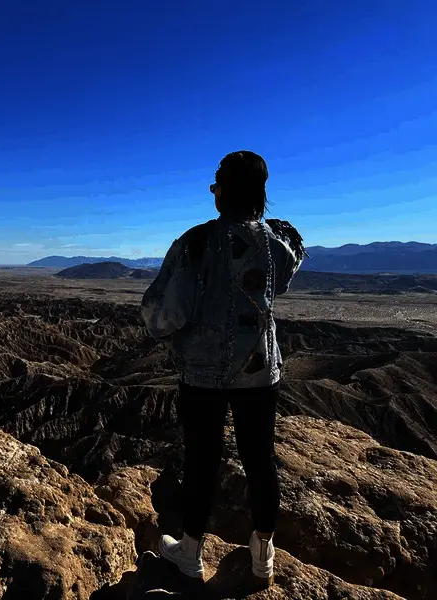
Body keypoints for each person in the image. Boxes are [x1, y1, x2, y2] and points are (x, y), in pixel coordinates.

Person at [141, 151, 306, 585]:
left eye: (216, 185)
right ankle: (263, 554)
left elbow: (165, 313)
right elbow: (286, 272)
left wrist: (160, 326)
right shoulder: (276, 244)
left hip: (203, 373)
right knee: (260, 460)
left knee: (201, 460)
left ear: (222, 191)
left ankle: (190, 552)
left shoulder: (197, 242)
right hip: (260, 370)